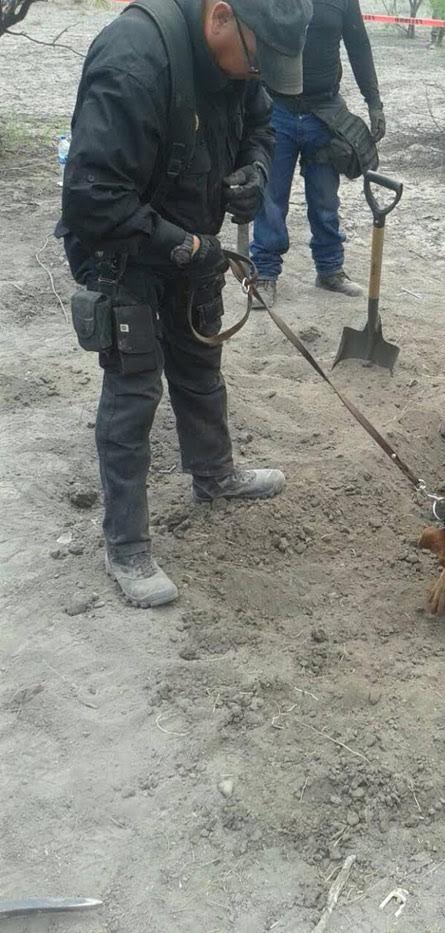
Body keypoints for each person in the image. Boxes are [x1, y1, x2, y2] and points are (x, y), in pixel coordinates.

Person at [56, 0, 312, 607]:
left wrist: (253, 169)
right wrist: (187, 246)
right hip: (122, 249)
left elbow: (260, 127)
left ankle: (214, 475)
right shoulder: (134, 59)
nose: (258, 76)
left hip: (193, 243)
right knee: (135, 389)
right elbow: (91, 198)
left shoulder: (243, 62)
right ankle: (126, 544)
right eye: (257, 62)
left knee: (200, 363)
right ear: (221, 17)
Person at [249, 0, 386, 307]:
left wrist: (374, 102)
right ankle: (265, 273)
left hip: (325, 112)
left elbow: (359, 45)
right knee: (270, 197)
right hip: (276, 109)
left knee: (325, 198)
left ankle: (329, 269)